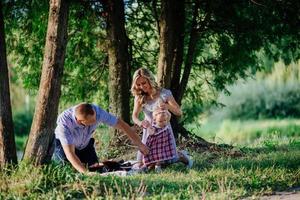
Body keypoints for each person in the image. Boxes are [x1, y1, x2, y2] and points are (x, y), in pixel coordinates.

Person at [53, 102, 149, 174]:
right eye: (91, 122)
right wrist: (86, 174)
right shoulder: (64, 123)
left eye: (96, 119)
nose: (96, 122)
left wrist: (140, 145)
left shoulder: (97, 111)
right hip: (64, 147)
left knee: (96, 169)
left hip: (85, 144)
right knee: (68, 170)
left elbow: (121, 125)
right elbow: (70, 154)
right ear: (80, 121)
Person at [131, 67, 193, 169]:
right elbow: (134, 116)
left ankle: (183, 157)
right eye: (138, 84)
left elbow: (179, 112)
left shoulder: (164, 93)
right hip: (149, 132)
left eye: (144, 83)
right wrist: (140, 123)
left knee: (169, 158)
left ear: (150, 80)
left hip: (163, 131)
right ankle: (155, 164)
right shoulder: (139, 97)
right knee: (143, 164)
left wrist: (167, 106)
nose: (141, 86)